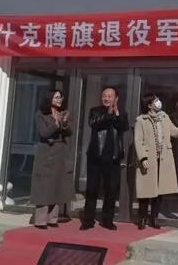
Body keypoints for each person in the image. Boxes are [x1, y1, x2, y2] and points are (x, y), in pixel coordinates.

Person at [134, 93, 178, 229]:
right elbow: (138, 141)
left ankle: (154, 218)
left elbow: (175, 132)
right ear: (149, 105)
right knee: (146, 191)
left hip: (163, 160)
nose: (159, 102)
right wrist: (143, 157)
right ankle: (142, 218)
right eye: (155, 101)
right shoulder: (141, 120)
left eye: (158, 100)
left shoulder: (164, 117)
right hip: (149, 160)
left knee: (159, 192)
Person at [80, 87, 128, 231]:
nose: (106, 98)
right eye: (104, 96)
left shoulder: (122, 113)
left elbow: (123, 127)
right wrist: (108, 114)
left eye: (109, 96)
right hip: (95, 156)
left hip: (113, 158)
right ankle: (88, 221)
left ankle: (107, 220)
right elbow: (94, 123)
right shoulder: (95, 111)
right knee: (92, 189)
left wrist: (116, 113)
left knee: (111, 190)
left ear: (116, 98)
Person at [30, 90, 74, 230]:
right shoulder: (40, 114)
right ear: (49, 99)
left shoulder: (62, 113)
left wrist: (64, 123)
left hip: (60, 152)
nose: (60, 99)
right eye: (57, 97)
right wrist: (55, 124)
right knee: (44, 185)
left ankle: (53, 218)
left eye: (61, 97)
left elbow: (69, 133)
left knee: (57, 184)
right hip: (46, 152)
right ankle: (40, 220)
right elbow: (44, 133)